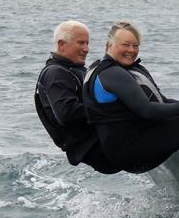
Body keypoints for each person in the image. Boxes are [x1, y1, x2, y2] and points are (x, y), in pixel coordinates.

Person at [83, 21, 179, 173]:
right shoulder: (112, 73)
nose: (131, 50)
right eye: (125, 44)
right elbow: (147, 110)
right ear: (110, 44)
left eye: (135, 46)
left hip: (125, 146)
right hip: (128, 150)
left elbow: (162, 102)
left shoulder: (109, 69)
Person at [35, 20, 120, 174]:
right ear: (61, 45)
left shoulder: (76, 70)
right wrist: (115, 108)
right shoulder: (55, 73)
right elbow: (67, 113)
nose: (86, 49)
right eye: (81, 43)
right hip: (95, 149)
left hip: (103, 140)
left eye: (87, 43)